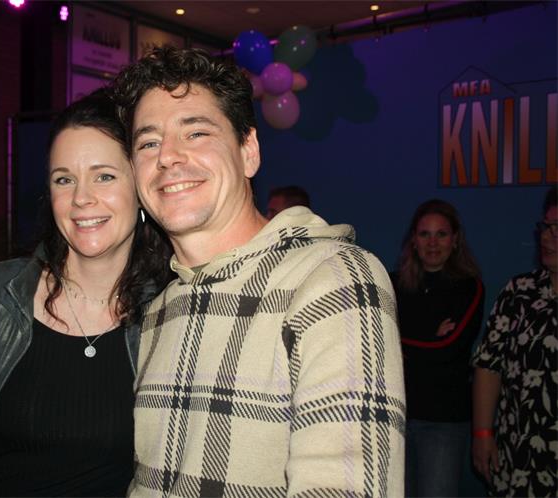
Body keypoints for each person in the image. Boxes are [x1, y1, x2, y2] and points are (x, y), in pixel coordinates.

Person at [112, 46, 405, 497]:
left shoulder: (333, 279)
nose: (167, 156)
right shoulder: (159, 311)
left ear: (248, 151)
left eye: (196, 133)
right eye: (148, 143)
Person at [0, 89, 172, 497]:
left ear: (140, 188)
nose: (81, 198)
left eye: (104, 176)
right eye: (64, 179)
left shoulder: (170, 311)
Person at [390, 199, 484, 497]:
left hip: (443, 422)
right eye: (425, 234)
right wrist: (428, 336)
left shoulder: (468, 287)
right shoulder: (392, 285)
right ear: (413, 240)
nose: (432, 243)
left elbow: (447, 349)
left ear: (455, 240)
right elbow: (380, 346)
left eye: (441, 234)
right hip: (395, 417)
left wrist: (402, 338)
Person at [471, 186, 557, 498]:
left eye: (557, 228)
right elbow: (488, 365)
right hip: (520, 453)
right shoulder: (519, 292)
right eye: (545, 226)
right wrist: (483, 432)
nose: (547, 236)